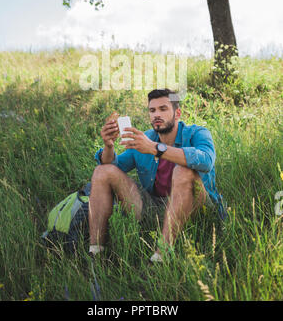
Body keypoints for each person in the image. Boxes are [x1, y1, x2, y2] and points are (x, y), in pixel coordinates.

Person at [88, 89, 226, 262]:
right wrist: (109, 146)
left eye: (163, 109)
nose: (156, 115)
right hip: (154, 208)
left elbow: (206, 160)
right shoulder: (146, 138)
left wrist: (155, 149)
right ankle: (96, 254)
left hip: (195, 209)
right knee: (102, 171)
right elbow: (113, 167)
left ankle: (161, 257)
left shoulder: (197, 133)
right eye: (152, 111)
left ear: (177, 113)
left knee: (183, 170)